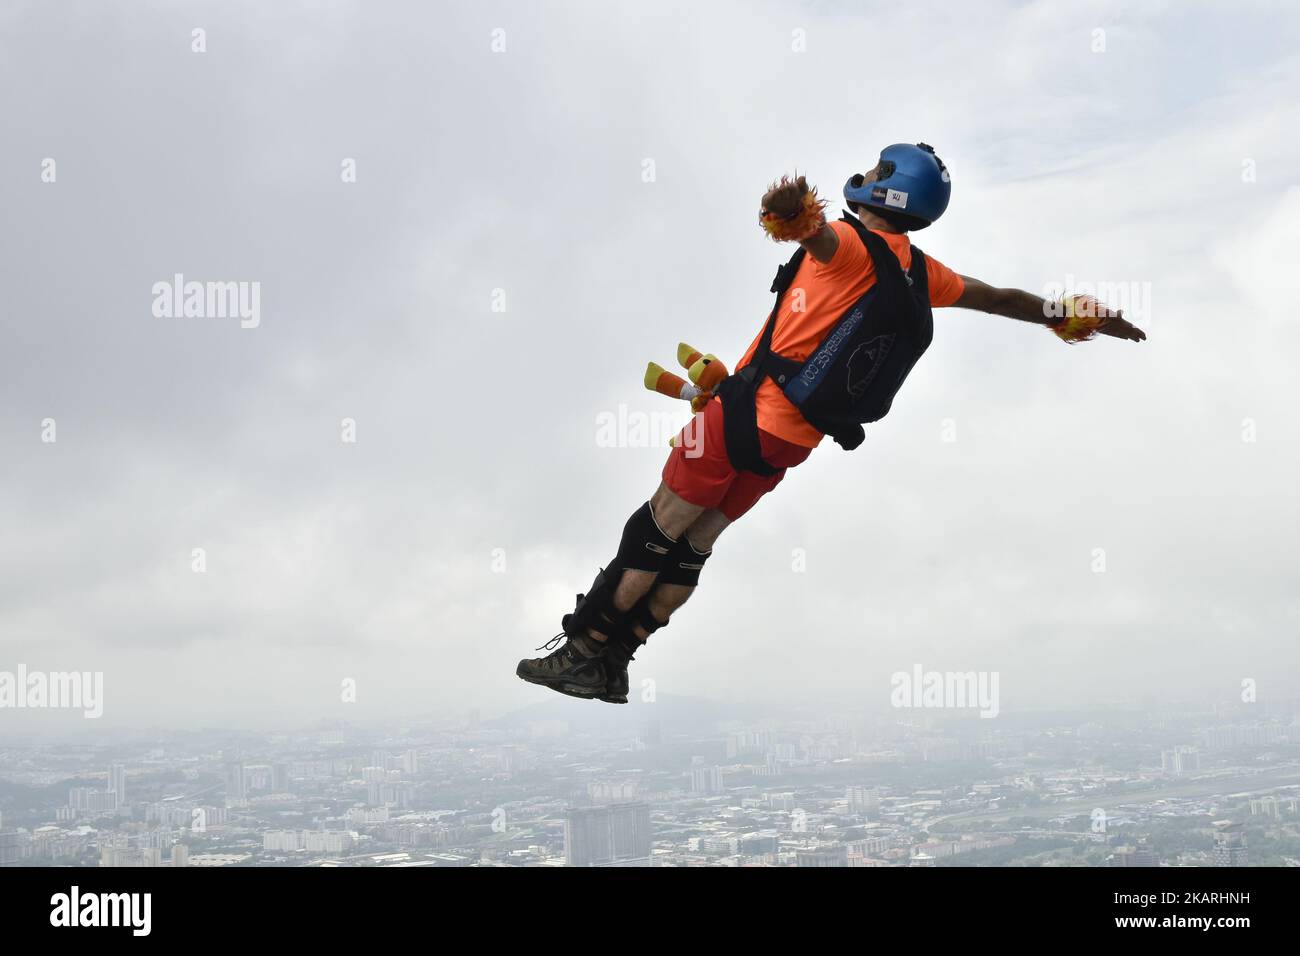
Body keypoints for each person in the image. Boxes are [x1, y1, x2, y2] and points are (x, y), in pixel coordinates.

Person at [516, 143, 1146, 704]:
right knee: (694, 546)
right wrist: (1077, 315)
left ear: (889, 188)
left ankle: (582, 652)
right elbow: (1002, 298)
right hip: (793, 441)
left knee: (654, 530)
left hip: (743, 414)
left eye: (878, 168)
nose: (864, 173)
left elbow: (819, 240)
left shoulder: (849, 245)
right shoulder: (922, 272)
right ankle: (619, 663)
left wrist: (797, 217)